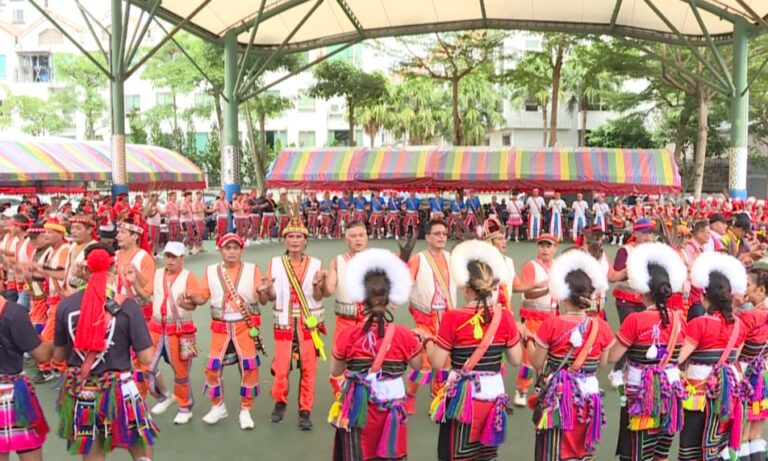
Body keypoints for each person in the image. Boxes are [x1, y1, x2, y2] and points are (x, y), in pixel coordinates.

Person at [54, 244, 158, 460]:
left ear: (84, 269)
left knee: (92, 449)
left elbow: (59, 355)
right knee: (138, 443)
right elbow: (146, 357)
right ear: (114, 268)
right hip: (119, 388)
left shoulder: (65, 306)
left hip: (82, 390)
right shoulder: (128, 307)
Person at [425, 239, 522, 461]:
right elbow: (516, 359)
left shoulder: (453, 317)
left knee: (455, 451)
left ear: (466, 287)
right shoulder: (504, 317)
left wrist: (428, 341)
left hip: (463, 395)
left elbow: (437, 363)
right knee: (486, 452)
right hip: (493, 394)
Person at [329, 248, 421, 461]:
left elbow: (336, 370)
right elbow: (418, 365)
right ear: (389, 298)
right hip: (392, 409)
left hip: (358, 407)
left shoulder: (348, 335)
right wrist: (420, 340)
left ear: (361, 299)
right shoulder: (404, 335)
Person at [531, 250, 614, 461]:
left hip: (558, 395)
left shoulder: (551, 324)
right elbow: (603, 363)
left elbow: (537, 362)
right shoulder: (602, 327)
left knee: (553, 448)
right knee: (581, 447)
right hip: (588, 394)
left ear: (564, 294)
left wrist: (530, 342)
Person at [608, 242, 688, 461]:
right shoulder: (680, 319)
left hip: (641, 395)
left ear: (643, 291)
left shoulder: (635, 320)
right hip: (670, 392)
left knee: (636, 453)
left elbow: (613, 356)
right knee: (661, 454)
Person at [182, 233, 265, 430]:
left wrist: (265, 289)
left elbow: (262, 297)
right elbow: (202, 297)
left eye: (236, 248)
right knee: (212, 367)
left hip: (245, 326)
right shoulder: (211, 271)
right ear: (220, 250)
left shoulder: (252, 269)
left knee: (249, 367)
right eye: (228, 248)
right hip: (220, 327)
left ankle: (246, 409)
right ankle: (218, 406)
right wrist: (190, 296)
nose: (232, 252)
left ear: (241, 250)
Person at [677, 252, 748, 461]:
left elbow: (679, 358)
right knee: (716, 446)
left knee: (691, 447)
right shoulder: (739, 326)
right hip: (727, 393)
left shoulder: (699, 324)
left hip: (699, 393)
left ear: (703, 296)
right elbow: (734, 358)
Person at [263, 217, 328, 430]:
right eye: (290, 236)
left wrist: (317, 284)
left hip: (309, 324)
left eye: (298, 236)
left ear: (305, 240)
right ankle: (280, 402)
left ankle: (305, 410)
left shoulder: (316, 264)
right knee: (281, 367)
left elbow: (318, 296)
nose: (294, 240)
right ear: (285, 240)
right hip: (284, 322)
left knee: (309, 368)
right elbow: (272, 297)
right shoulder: (275, 263)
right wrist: (268, 289)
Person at [141, 242, 201, 425]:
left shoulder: (189, 276)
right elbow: (145, 294)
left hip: (181, 330)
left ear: (182, 258)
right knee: (146, 367)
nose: (170, 260)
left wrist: (185, 303)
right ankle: (164, 397)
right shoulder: (158, 273)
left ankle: (185, 407)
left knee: (181, 371)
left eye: (174, 257)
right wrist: (134, 279)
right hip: (156, 327)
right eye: (167, 256)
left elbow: (194, 305)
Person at [405, 219, 457, 414]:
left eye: (444, 233)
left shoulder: (451, 258)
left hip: (448, 315)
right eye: (437, 233)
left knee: (444, 360)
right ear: (427, 237)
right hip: (426, 317)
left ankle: (438, 397)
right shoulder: (418, 259)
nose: (442, 237)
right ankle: (410, 394)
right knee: (424, 359)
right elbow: (406, 283)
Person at [0, 293, 52, 461]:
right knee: (30, 451)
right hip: (14, 395)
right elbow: (42, 355)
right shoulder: (13, 313)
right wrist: (56, 341)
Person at [608, 218, 656, 378]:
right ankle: (617, 370)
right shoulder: (626, 250)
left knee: (644, 336)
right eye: (644, 233)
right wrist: (633, 267)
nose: (648, 236)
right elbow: (616, 274)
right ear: (635, 233)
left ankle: (634, 369)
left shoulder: (655, 251)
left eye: (650, 233)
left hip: (647, 300)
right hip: (627, 299)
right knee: (630, 335)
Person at [325, 222, 369, 394]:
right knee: (340, 362)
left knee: (369, 361)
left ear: (367, 238)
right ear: (346, 240)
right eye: (353, 236)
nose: (358, 239)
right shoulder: (338, 261)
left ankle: (366, 400)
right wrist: (321, 281)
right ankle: (340, 399)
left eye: (361, 235)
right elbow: (329, 290)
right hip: (345, 321)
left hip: (370, 322)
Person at [515, 234, 558, 407]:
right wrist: (548, 288)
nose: (545, 249)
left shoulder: (558, 266)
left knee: (549, 356)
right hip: (532, 317)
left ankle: (541, 388)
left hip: (552, 317)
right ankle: (522, 389)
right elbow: (527, 293)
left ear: (555, 249)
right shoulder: (531, 266)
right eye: (542, 245)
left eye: (549, 246)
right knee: (529, 357)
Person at [32, 219, 70, 383]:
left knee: (48, 335)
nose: (46, 235)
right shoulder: (50, 251)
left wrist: (41, 270)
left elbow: (61, 274)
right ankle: (57, 367)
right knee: (56, 335)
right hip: (51, 299)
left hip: (61, 300)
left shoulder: (64, 249)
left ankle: (48, 368)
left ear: (61, 234)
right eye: (45, 232)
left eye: (51, 232)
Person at [737, 269, 768, 460]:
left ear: (762, 290)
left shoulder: (749, 317)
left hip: (745, 375)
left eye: (748, 285)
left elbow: (735, 350)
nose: (745, 288)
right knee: (755, 435)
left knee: (741, 435)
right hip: (762, 375)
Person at [682, 220, 710, 320]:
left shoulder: (701, 248)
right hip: (692, 294)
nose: (709, 236)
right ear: (699, 233)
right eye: (708, 233)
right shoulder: (689, 247)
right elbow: (689, 270)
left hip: (699, 293)